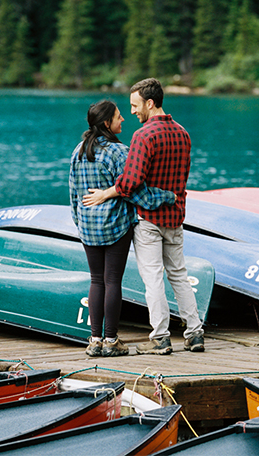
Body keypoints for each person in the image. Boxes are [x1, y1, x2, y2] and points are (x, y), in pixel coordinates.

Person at [84, 78, 204, 356]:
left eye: (136, 105)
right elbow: (182, 178)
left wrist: (105, 193)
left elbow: (131, 182)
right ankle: (194, 332)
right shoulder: (183, 133)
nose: (133, 112)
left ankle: (161, 336)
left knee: (153, 279)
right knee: (179, 276)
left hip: (149, 220)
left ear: (150, 103)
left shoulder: (143, 136)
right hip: (175, 217)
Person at [69, 100, 176, 358]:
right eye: (118, 116)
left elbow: (73, 194)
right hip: (116, 226)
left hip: (88, 227)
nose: (123, 119)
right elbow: (134, 191)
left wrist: (80, 221)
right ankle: (111, 340)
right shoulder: (118, 152)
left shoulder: (78, 151)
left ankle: (95, 341)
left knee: (96, 280)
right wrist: (168, 196)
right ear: (107, 123)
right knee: (112, 280)